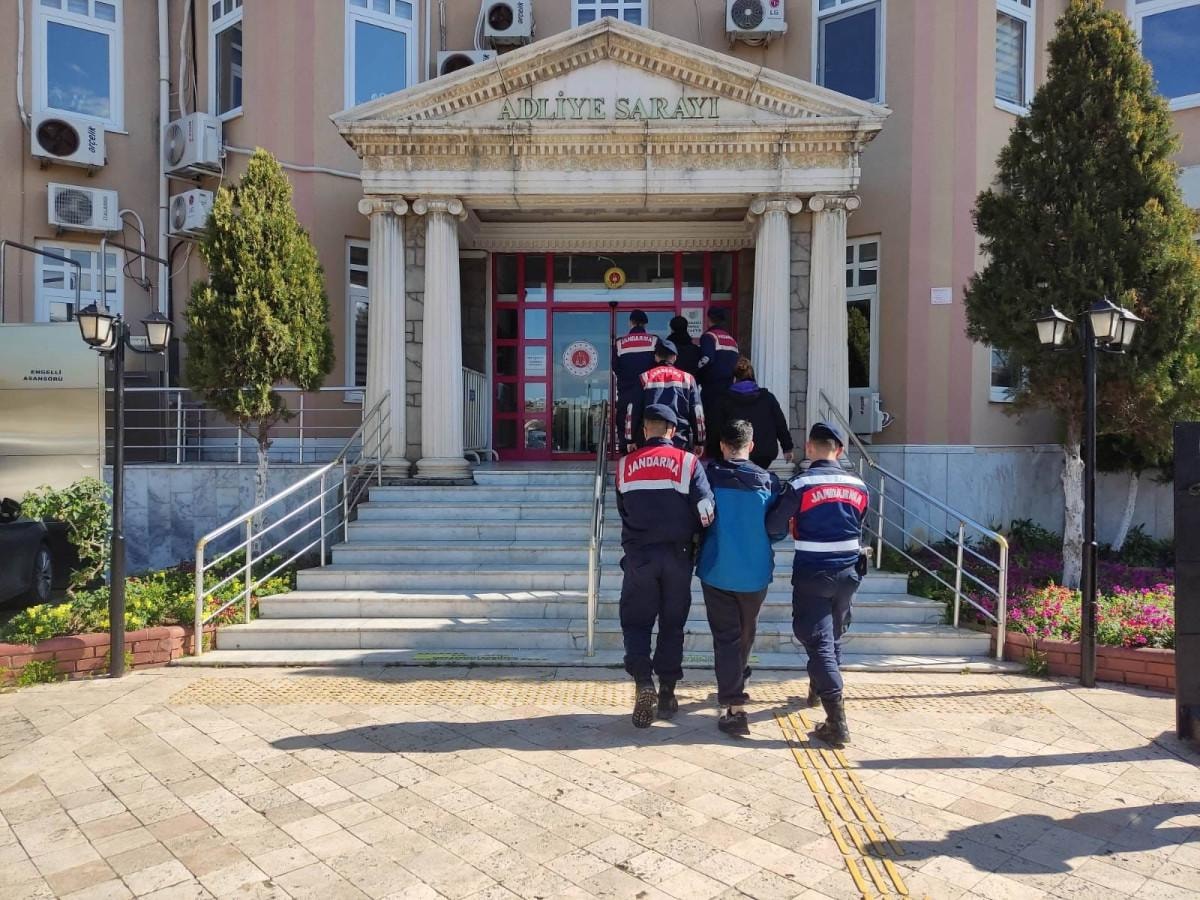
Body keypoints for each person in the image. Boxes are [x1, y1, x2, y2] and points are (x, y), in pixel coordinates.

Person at [615, 404, 715, 728]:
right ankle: (668, 693)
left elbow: (623, 509)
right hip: (678, 556)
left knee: (636, 623)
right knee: (672, 624)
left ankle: (643, 681)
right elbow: (706, 511)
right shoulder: (688, 463)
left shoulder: (624, 465)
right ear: (672, 431)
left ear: (646, 429)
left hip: (640, 557)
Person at [696, 419, 795, 736]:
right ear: (751, 446)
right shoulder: (768, 482)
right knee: (746, 632)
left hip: (717, 569)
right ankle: (737, 683)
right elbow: (777, 530)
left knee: (726, 638)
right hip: (755, 573)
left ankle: (735, 706)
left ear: (722, 446)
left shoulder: (707, 478)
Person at [787, 422, 869, 748]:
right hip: (849, 573)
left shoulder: (800, 484)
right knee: (832, 635)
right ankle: (817, 687)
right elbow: (861, 521)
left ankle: (837, 721)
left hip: (813, 572)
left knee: (818, 640)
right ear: (840, 450)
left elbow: (776, 522)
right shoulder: (859, 485)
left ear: (809, 448)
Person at [709, 357, 794, 468]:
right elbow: (780, 424)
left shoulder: (723, 400)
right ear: (753, 377)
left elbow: (715, 427)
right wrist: (787, 448)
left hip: (734, 453)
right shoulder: (768, 398)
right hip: (764, 454)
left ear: (734, 378)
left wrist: (714, 452)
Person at [628, 339, 705, 452]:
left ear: (656, 357)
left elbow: (633, 411)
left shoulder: (644, 378)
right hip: (679, 441)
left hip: (649, 441)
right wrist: (700, 441)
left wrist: (630, 439)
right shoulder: (688, 379)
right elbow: (697, 412)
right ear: (675, 357)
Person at [613, 309, 657, 448]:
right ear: (645, 324)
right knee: (648, 425)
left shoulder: (619, 343)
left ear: (630, 322)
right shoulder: (654, 340)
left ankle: (627, 454)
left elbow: (615, 368)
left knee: (625, 424)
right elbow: (658, 365)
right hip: (648, 393)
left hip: (627, 392)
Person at [697, 308, 739, 435]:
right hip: (729, 388)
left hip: (712, 388)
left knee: (711, 424)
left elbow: (706, 359)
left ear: (708, 319)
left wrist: (695, 372)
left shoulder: (709, 336)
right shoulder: (732, 340)